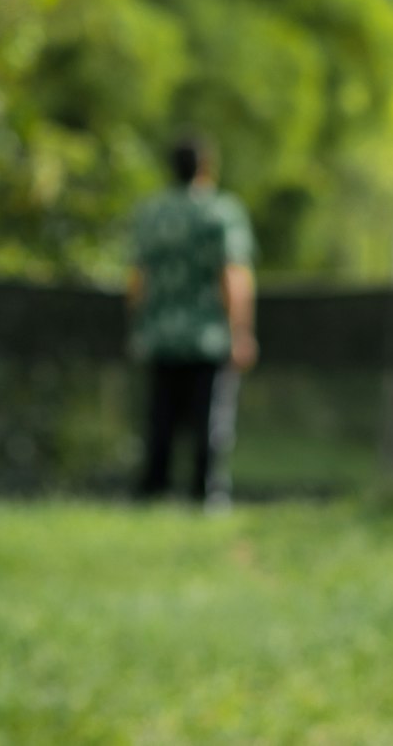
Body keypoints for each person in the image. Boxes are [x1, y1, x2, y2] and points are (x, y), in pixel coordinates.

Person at [125, 134, 256, 506]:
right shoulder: (220, 212)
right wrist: (241, 332)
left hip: (160, 334)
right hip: (207, 336)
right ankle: (207, 493)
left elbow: (138, 279)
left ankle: (153, 489)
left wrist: (138, 326)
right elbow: (233, 277)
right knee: (210, 420)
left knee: (159, 418)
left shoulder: (152, 213)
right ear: (206, 167)